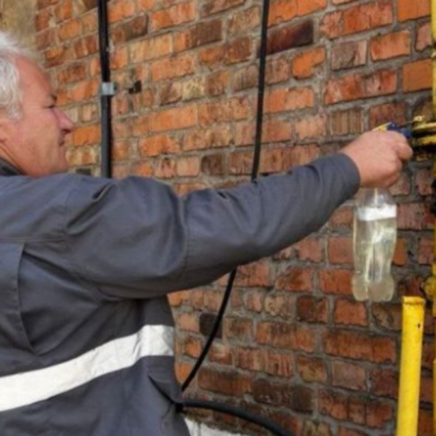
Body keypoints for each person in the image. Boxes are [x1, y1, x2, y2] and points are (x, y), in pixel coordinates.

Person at [0, 31, 412, 436]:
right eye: (50, 106)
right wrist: (350, 167)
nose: (67, 123)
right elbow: (220, 226)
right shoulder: (61, 214)